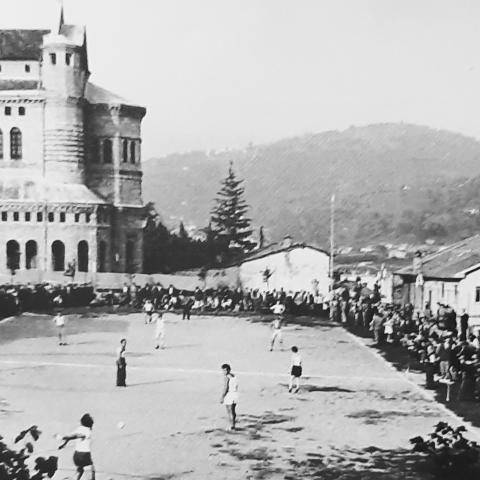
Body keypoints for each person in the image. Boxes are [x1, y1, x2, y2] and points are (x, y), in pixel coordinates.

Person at [58, 413, 95, 480]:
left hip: (76, 456)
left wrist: (63, 444)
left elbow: (71, 436)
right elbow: (77, 436)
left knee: (80, 470)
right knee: (91, 473)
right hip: (84, 455)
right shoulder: (87, 431)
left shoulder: (79, 428)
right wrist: (63, 438)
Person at [220, 363, 238, 430]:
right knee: (233, 411)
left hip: (229, 394)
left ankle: (232, 425)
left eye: (225, 370)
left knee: (229, 411)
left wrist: (222, 397)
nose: (224, 372)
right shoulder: (233, 376)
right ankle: (233, 424)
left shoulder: (226, 378)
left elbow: (225, 388)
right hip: (235, 394)